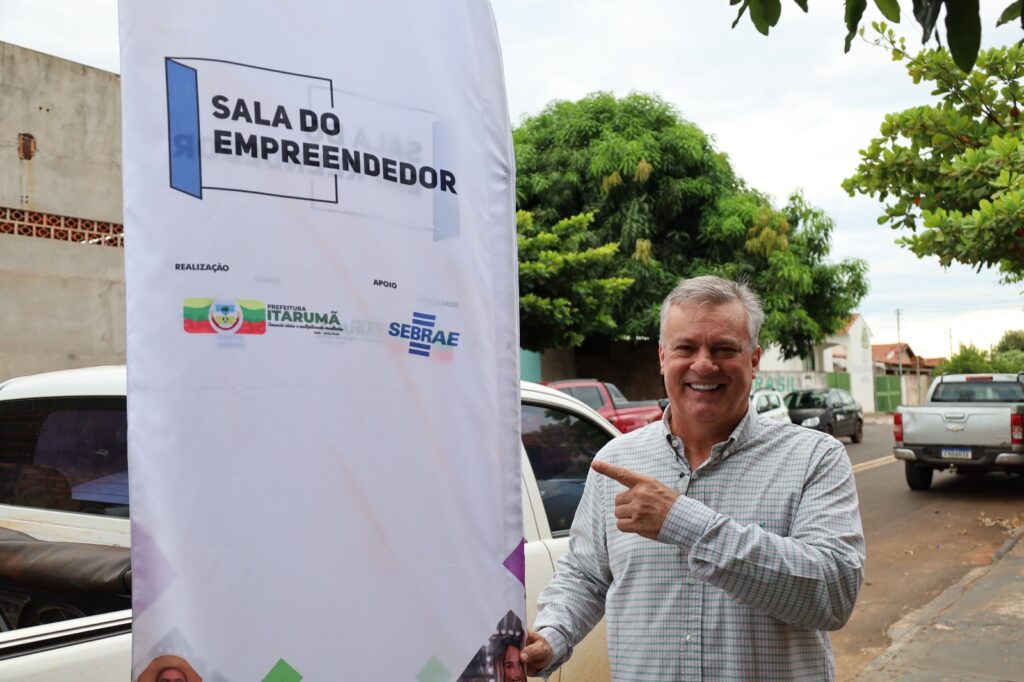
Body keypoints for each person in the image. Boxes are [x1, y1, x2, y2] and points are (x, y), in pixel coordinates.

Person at [520, 275, 865, 681]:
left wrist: (682, 521)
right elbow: (586, 575)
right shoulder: (617, 460)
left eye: (724, 349)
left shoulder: (814, 458)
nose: (703, 364)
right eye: (685, 348)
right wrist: (551, 637)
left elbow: (834, 594)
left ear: (754, 359)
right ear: (662, 357)